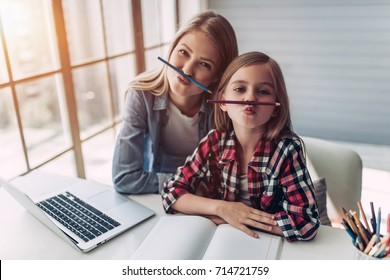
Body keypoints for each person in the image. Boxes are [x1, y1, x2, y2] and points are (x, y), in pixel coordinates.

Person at [162, 51, 320, 242]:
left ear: (276, 107)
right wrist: (222, 209)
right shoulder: (214, 142)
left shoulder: (287, 150)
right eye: (239, 89)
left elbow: (306, 222)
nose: (249, 98)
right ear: (222, 101)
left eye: (263, 92)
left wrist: (238, 219)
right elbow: (172, 191)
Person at [112, 11, 238, 194]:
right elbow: (124, 178)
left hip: (205, 201)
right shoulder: (141, 95)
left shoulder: (223, 107)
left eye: (204, 64)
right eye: (183, 52)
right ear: (171, 50)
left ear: (218, 75)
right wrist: (189, 184)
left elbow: (227, 180)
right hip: (159, 197)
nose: (187, 70)